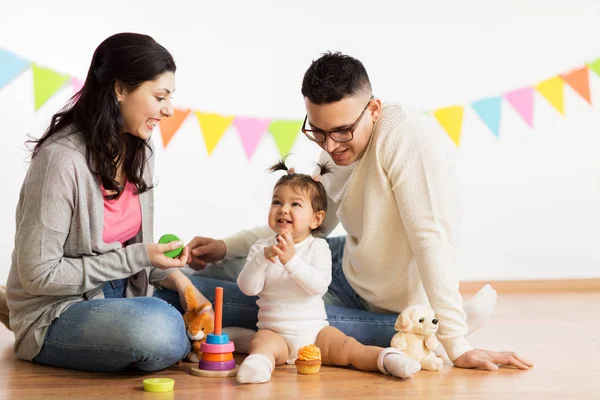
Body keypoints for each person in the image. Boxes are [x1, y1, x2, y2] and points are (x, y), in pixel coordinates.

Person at [186, 52, 532, 371]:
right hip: (344, 261)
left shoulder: (406, 136)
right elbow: (303, 224)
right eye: (318, 132)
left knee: (281, 318)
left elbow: (431, 239)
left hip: (386, 297)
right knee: (227, 265)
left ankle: (432, 328)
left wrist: (457, 343)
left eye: (342, 132)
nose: (331, 146)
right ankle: (434, 327)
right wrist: (225, 247)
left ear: (374, 109)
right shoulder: (334, 146)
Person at [1, 32, 226, 372]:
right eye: (160, 96)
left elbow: (135, 259)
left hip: (126, 289)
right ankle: (14, 313)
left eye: (170, 97)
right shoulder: (60, 161)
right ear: (120, 90)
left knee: (249, 302)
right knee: (159, 331)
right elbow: (38, 275)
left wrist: (181, 283)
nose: (168, 109)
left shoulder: (140, 150)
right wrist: (138, 257)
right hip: (59, 307)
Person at [236, 159, 420, 384]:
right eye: (277, 202)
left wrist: (291, 261)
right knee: (261, 343)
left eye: (295, 204)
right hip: (275, 332)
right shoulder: (261, 249)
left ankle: (389, 359)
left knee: (349, 348)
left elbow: (318, 286)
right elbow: (248, 287)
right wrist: (262, 259)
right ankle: (258, 365)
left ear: (316, 218)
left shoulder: (317, 247)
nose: (283, 209)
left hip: (314, 333)